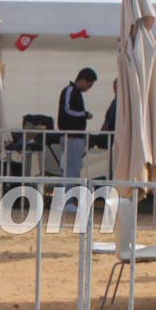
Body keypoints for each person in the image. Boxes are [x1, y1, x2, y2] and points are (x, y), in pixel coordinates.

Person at [57, 67, 97, 212]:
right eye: (90, 84)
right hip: (71, 137)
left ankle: (67, 200)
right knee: (70, 169)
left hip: (76, 137)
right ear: (83, 80)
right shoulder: (69, 91)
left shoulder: (76, 93)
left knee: (73, 169)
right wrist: (83, 114)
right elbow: (66, 110)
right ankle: (66, 201)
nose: (89, 88)